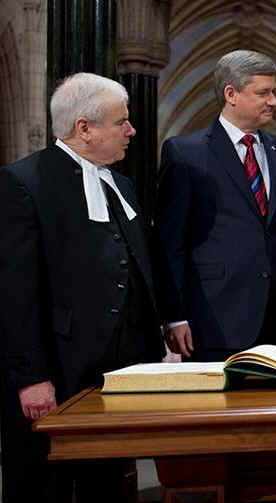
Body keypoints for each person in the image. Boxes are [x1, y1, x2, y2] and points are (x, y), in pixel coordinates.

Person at [0, 73, 164, 502]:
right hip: (58, 370)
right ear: (84, 128)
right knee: (46, 487)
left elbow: (135, 269)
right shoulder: (23, 182)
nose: (131, 131)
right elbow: (15, 293)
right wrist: (31, 377)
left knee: (108, 484)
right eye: (121, 122)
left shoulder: (121, 184)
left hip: (117, 373)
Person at [155, 50, 276, 361]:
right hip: (214, 319)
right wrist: (174, 316)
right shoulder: (185, 153)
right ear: (231, 94)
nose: (274, 101)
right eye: (263, 93)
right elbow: (169, 243)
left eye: (273, 92)